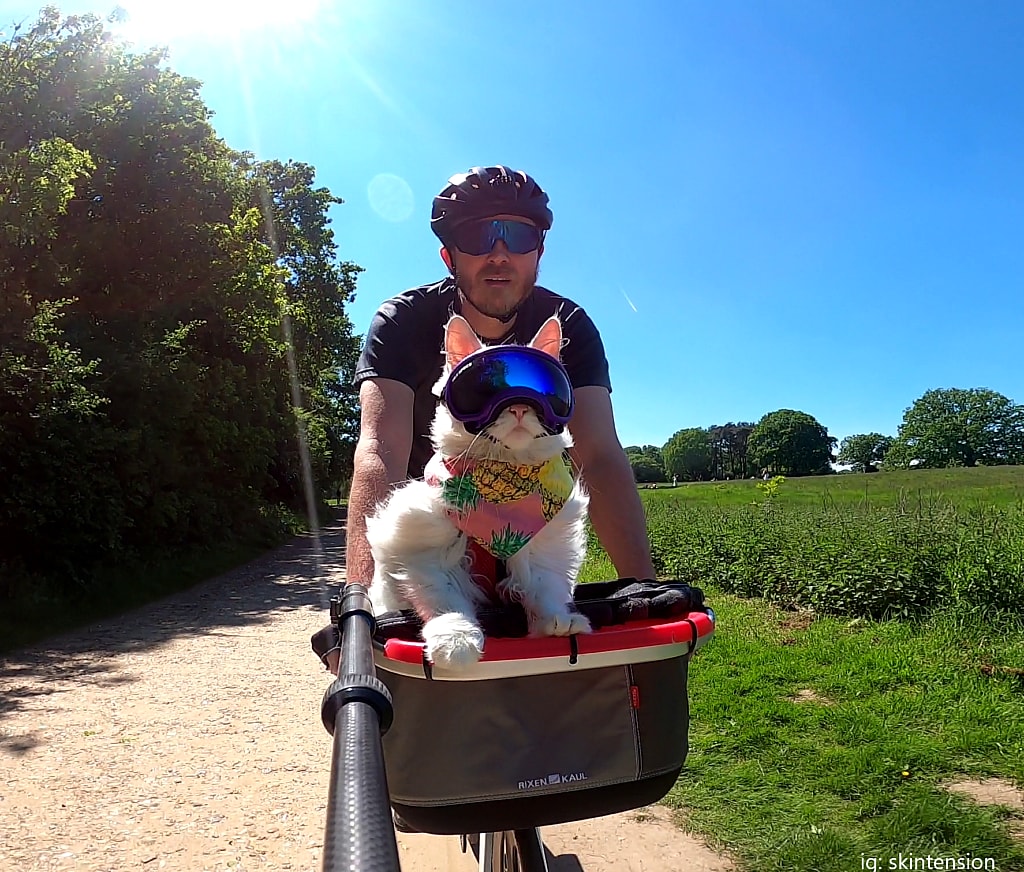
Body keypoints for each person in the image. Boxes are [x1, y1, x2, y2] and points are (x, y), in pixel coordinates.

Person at [326, 165, 654, 674]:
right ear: (449, 255)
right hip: (437, 519)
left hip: (529, 513)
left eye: (518, 236)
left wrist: (644, 592)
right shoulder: (404, 322)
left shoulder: (569, 326)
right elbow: (380, 451)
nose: (499, 253)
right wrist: (359, 607)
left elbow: (599, 453)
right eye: (478, 235)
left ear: (538, 253)